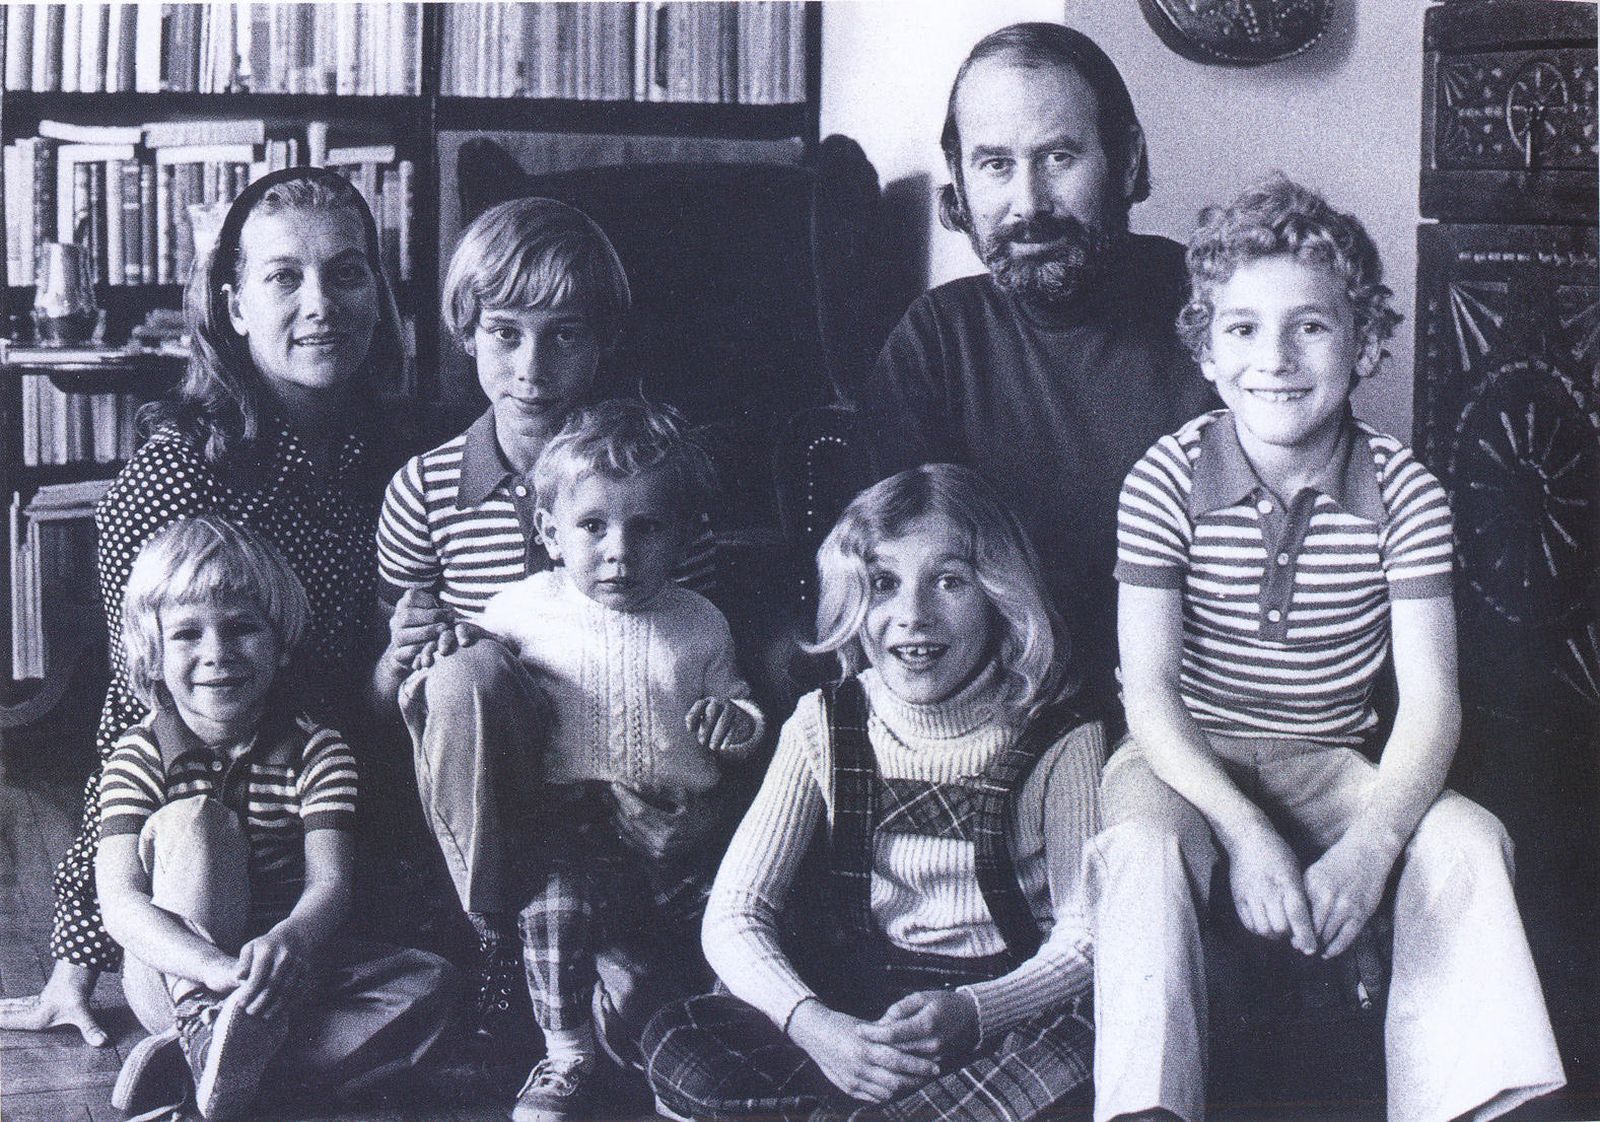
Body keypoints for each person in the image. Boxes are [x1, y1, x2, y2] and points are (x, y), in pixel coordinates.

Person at [1090, 177, 1566, 1122]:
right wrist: (1243, 831)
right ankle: (1147, 1110)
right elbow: (1148, 695)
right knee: (1142, 848)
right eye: (1242, 329)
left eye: (1310, 326)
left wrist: (1374, 843)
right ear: (1208, 353)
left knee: (1469, 841)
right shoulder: (1164, 480)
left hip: (1328, 761)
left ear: (1367, 345)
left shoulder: (1407, 493)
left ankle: (1471, 1105)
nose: (1275, 358)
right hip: (1184, 762)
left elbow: (1431, 702)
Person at [0, 166, 405, 1048]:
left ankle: (249, 1058)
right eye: (284, 277)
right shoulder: (179, 473)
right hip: (190, 851)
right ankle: (205, 1036)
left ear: (378, 295)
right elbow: (137, 712)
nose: (321, 304)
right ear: (234, 306)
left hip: (322, 824)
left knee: (424, 1001)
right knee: (200, 839)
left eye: (346, 273)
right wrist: (76, 959)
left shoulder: (390, 455)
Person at [644, 463, 1105, 1122]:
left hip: (1001, 1015)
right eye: (885, 584)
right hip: (862, 1021)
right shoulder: (824, 723)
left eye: (950, 581)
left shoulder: (1060, 734)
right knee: (679, 1040)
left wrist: (977, 1012)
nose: (913, 617)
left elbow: (1086, 937)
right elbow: (735, 913)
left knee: (1091, 1038)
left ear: (999, 595)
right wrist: (818, 1029)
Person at [372, 197, 716, 1035]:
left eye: (564, 336)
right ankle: (498, 942)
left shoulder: (656, 478)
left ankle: (613, 957)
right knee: (469, 675)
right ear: (466, 332)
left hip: (625, 759)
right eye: (505, 333)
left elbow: (700, 635)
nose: (532, 367)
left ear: (603, 344)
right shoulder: (425, 490)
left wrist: (707, 795)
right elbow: (390, 693)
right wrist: (408, 655)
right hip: (491, 785)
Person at [408, 397, 763, 1122]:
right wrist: (451, 645)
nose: (618, 550)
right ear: (549, 531)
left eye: (647, 527)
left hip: (678, 831)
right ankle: (566, 1052)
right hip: (571, 829)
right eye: (593, 526)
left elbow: (739, 700)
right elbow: (466, 686)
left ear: (683, 536)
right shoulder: (522, 608)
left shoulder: (700, 621)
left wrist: (738, 724)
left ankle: (704, 1046)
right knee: (555, 910)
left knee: (735, 916)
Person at [858, 22, 1217, 722]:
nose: (1028, 203)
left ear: (1127, 162)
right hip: (997, 711)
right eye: (995, 164)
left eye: (1059, 156)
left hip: (1200, 710)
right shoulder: (934, 342)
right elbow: (897, 589)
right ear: (961, 181)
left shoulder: (1221, 314)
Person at [96, 516, 456, 1122]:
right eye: (187, 634)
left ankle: (211, 1072)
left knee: (432, 981)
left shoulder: (318, 750)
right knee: (197, 821)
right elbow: (121, 903)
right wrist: (214, 973)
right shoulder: (140, 754)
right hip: (175, 972)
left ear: (281, 643)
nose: (217, 653)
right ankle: (203, 1033)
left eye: (242, 628)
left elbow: (329, 885)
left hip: (279, 966)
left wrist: (288, 941)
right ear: (153, 655)